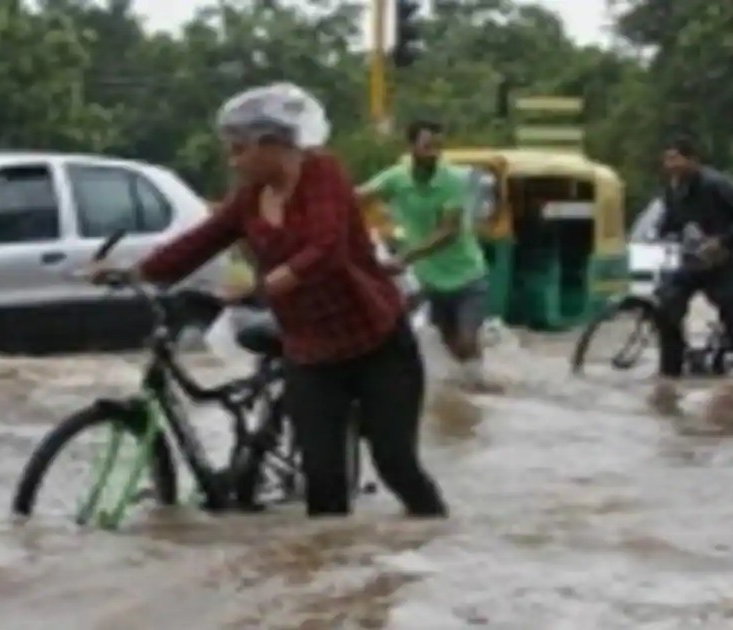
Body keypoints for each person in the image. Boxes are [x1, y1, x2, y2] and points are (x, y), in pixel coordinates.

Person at [88, 83, 447, 518]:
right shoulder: (248, 198)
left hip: (376, 343)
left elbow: (326, 248)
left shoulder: (322, 174)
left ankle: (433, 540)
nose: (231, 160)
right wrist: (137, 271)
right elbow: (202, 240)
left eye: (238, 150)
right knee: (323, 483)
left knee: (396, 465)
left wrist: (264, 286)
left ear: (273, 145)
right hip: (310, 353)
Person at [356, 120, 489, 389]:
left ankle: (479, 391)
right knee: (452, 345)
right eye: (427, 146)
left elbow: (448, 231)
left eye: (438, 147)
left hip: (468, 277)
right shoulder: (396, 177)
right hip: (432, 281)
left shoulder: (453, 179)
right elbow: (359, 197)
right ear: (412, 147)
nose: (434, 153)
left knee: (466, 339)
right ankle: (470, 386)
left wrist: (405, 258)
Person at [653, 136, 733, 390]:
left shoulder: (716, 184)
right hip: (695, 262)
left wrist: (724, 241)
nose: (671, 165)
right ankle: (670, 374)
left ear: (692, 160)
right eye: (667, 160)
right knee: (667, 305)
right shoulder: (673, 190)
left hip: (729, 263)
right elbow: (671, 221)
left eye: (676, 158)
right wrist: (663, 232)